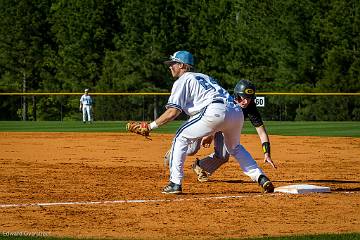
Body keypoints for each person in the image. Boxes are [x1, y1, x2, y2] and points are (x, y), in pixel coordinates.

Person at [145, 50, 274, 194]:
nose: (170, 67)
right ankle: (261, 177)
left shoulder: (183, 80)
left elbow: (172, 112)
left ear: (181, 65)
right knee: (235, 148)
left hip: (214, 111)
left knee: (180, 137)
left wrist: (150, 126)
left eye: (173, 63)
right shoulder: (205, 77)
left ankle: (175, 183)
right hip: (235, 112)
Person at [188, 79, 276, 182]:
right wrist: (210, 135)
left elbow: (261, 132)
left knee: (223, 156)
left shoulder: (250, 107)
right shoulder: (226, 101)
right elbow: (214, 119)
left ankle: (200, 166)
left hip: (224, 127)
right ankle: (174, 150)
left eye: (249, 98)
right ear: (236, 95)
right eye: (244, 97)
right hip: (204, 120)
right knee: (192, 149)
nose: (246, 102)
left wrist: (267, 153)